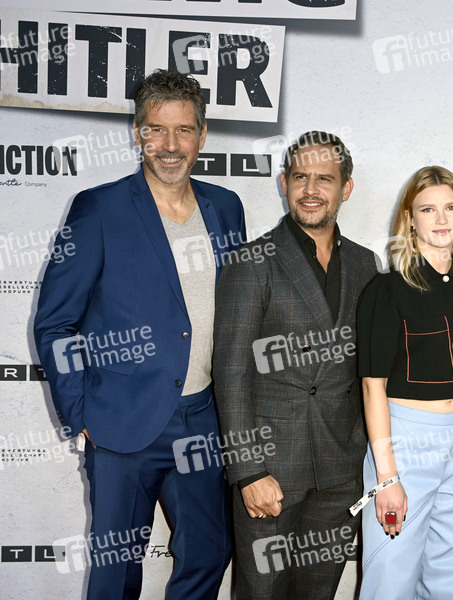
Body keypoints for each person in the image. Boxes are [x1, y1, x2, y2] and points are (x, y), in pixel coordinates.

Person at [33, 69, 243, 599]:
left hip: (203, 419)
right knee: (114, 575)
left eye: (184, 130)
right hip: (120, 426)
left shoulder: (226, 207)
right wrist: (82, 414)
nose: (170, 145)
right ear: (137, 133)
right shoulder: (98, 208)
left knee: (209, 554)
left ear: (202, 135)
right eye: (156, 129)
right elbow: (55, 322)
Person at [212, 131, 378, 599]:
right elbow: (231, 373)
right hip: (271, 468)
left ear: (346, 188)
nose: (311, 189)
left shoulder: (365, 264)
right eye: (301, 177)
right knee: (261, 591)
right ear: (284, 183)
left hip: (341, 468)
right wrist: (248, 471)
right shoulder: (252, 261)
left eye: (325, 179)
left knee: (319, 592)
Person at [355, 165, 453, 600]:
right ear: (410, 219)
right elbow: (372, 386)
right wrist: (387, 477)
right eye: (428, 209)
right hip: (406, 442)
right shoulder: (386, 289)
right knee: (390, 578)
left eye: (452, 207)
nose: (441, 219)